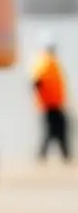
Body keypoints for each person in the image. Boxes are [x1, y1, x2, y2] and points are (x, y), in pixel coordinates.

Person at [31, 32, 70, 162]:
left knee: (56, 130)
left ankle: (62, 155)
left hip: (53, 104)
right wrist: (42, 98)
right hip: (49, 105)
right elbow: (36, 82)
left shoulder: (49, 62)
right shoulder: (45, 62)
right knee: (54, 130)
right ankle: (59, 156)